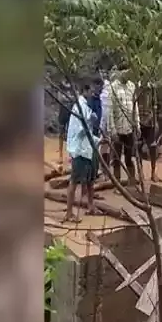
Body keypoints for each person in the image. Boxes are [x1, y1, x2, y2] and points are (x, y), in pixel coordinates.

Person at [64, 80, 101, 221]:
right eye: (90, 91)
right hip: (79, 149)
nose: (92, 93)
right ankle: (68, 213)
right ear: (84, 91)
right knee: (74, 181)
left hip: (88, 148)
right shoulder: (79, 107)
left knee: (91, 179)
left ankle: (91, 206)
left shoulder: (86, 106)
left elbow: (87, 130)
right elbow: (80, 130)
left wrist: (97, 140)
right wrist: (90, 121)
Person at [101, 68, 139, 186]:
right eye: (126, 72)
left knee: (129, 157)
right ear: (121, 72)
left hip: (129, 128)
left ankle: (132, 183)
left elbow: (135, 107)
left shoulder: (132, 86)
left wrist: (137, 125)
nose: (128, 75)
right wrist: (112, 130)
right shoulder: (112, 88)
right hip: (117, 129)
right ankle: (118, 185)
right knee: (116, 159)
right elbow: (109, 110)